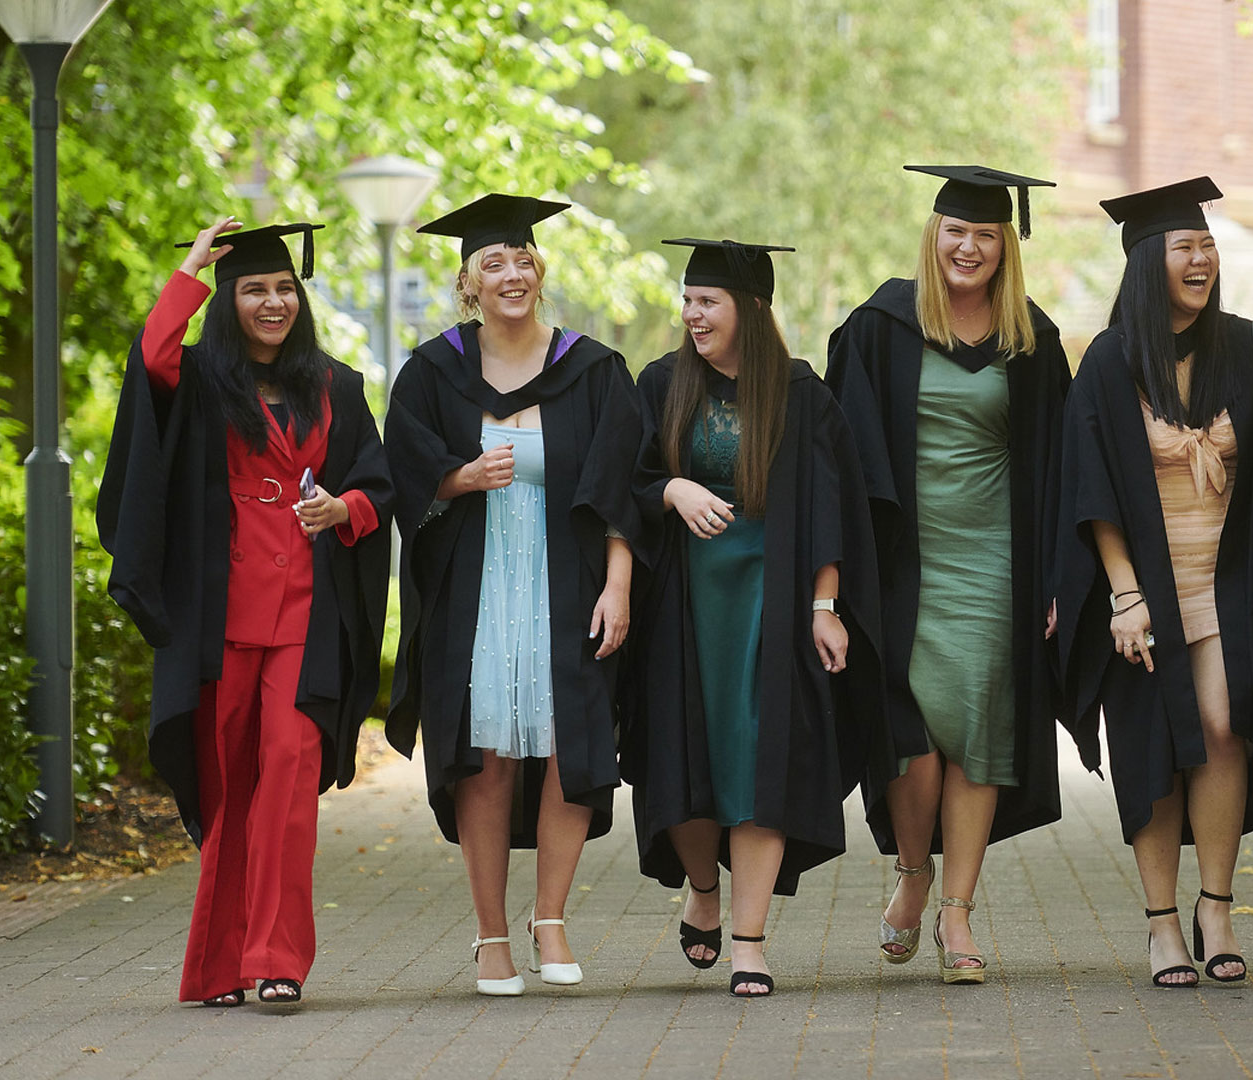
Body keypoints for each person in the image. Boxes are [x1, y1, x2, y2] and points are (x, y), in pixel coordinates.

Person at [98, 218, 392, 1007]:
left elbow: (378, 480)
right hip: (219, 614)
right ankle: (218, 968)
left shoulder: (336, 385)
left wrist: (347, 508)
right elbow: (151, 357)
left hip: (305, 614)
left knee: (289, 781)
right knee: (229, 788)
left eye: (285, 289)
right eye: (255, 289)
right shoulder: (197, 380)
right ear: (230, 300)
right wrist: (191, 267)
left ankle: (276, 960)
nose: (273, 302)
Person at [1054, 178, 1253, 989]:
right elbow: (1090, 488)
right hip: (1146, 588)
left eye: (1206, 246)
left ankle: (1217, 906)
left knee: (1224, 724)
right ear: (1147, 263)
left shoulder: (1251, 347)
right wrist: (1124, 594)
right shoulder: (1109, 362)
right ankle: (1162, 924)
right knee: (1156, 747)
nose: (1200, 259)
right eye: (1184, 248)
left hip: (1231, 580)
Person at [385, 194, 644, 996]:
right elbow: (403, 473)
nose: (511, 273)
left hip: (567, 585)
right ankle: (491, 936)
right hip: (477, 588)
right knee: (486, 758)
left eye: (522, 260)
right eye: (492, 263)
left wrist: (619, 586)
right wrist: (459, 477)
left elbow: (623, 487)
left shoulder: (594, 369)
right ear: (467, 283)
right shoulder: (433, 372)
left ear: (540, 271)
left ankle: (552, 922)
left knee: (571, 754)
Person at [824, 165, 1070, 984]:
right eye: (957, 232)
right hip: (902, 563)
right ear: (934, 235)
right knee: (914, 739)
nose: (970, 247)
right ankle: (914, 873)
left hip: (995, 562)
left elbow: (1056, 466)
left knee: (982, 739)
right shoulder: (880, 325)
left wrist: (1055, 579)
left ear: (1006, 247)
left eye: (987, 235)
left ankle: (958, 913)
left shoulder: (1030, 339)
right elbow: (839, 452)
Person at [625, 238, 880, 998]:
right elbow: (626, 479)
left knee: (760, 768)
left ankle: (749, 941)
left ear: (751, 309)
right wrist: (675, 489)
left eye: (709, 302)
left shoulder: (803, 396)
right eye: (688, 300)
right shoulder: (662, 382)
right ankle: (702, 884)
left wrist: (825, 607)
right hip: (684, 605)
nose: (692, 314)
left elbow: (831, 508)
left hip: (774, 602)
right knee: (686, 761)